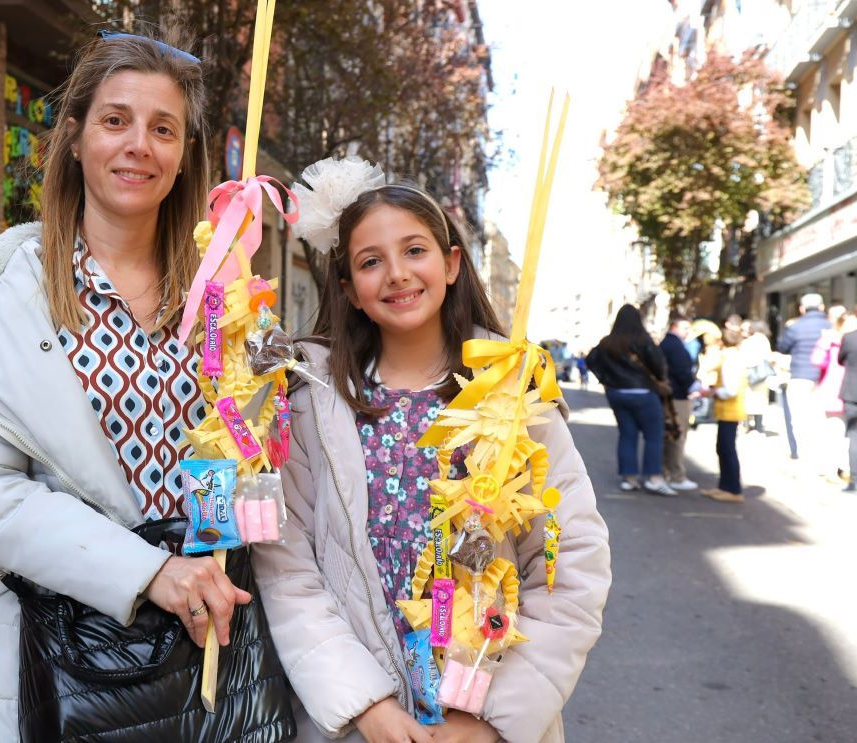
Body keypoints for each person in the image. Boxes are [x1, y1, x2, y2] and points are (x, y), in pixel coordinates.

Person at [0, 31, 254, 740]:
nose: (139, 145)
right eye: (115, 120)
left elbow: (251, 453)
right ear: (74, 136)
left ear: (184, 152)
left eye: (163, 129)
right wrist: (146, 569)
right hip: (58, 651)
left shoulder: (222, 295)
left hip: (210, 649)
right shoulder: (4, 295)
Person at [252, 158, 611, 743]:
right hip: (356, 724)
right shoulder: (310, 403)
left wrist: (492, 722)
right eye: (371, 262)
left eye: (414, 251)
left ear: (450, 263)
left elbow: (568, 565)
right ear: (349, 289)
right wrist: (363, 706)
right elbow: (288, 569)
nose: (396, 274)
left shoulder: (515, 395)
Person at [587, 306, 677, 496]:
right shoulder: (643, 340)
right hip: (643, 392)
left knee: (627, 435)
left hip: (617, 394)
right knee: (654, 435)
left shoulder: (607, 342)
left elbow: (591, 361)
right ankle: (654, 478)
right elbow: (659, 365)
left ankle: (629, 479)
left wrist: (607, 380)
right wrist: (658, 378)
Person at [777, 293, 831, 472]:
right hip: (825, 379)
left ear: (801, 309)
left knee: (800, 420)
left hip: (800, 376)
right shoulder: (831, 327)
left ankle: (805, 458)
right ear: (822, 307)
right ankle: (823, 459)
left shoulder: (796, 327)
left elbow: (782, 347)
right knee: (821, 419)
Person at [702, 329, 747, 503]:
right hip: (729, 410)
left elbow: (731, 389)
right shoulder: (733, 356)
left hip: (730, 410)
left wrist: (714, 391)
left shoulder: (729, 359)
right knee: (723, 448)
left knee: (726, 449)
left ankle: (733, 489)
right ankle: (725, 486)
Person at [812, 306, 851, 480]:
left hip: (841, 391)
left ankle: (838, 467)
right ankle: (837, 468)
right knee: (838, 431)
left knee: (840, 431)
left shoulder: (836, 341)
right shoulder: (832, 341)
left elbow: (816, 361)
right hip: (837, 392)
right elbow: (817, 361)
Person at [658, 314, 697, 490]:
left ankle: (668, 472)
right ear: (674, 327)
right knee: (677, 435)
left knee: (670, 435)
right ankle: (676, 475)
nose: (688, 332)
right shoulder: (675, 346)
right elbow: (683, 372)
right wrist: (693, 387)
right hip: (678, 397)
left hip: (669, 395)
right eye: (685, 328)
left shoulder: (666, 344)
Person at [740, 320, 773, 434]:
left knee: (747, 400)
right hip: (761, 374)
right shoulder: (764, 340)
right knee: (760, 400)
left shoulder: (747, 341)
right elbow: (768, 356)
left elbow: (743, 356)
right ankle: (759, 426)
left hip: (749, 373)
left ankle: (747, 425)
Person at [837, 319, 857, 492]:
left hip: (852, 391)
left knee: (854, 436)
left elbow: (840, 359)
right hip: (851, 392)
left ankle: (855, 481)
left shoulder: (849, 338)